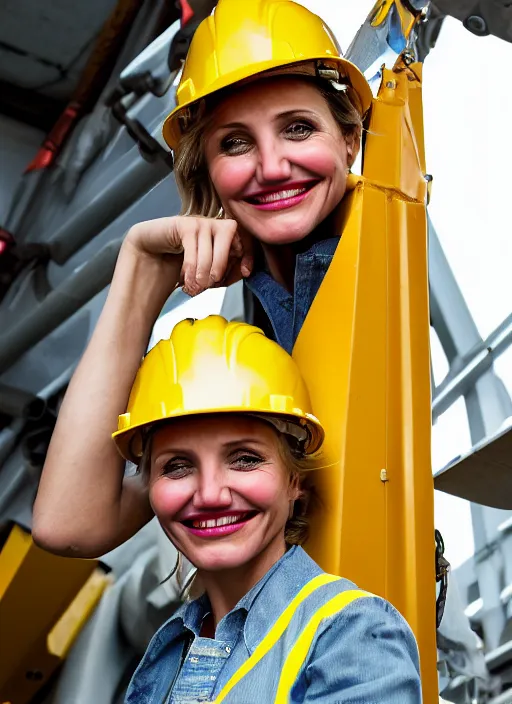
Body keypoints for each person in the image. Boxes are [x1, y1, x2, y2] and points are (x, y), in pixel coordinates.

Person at [113, 316, 421, 703]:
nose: (210, 494)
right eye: (177, 466)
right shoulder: (171, 649)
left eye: (244, 459)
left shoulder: (352, 635)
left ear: (295, 481)